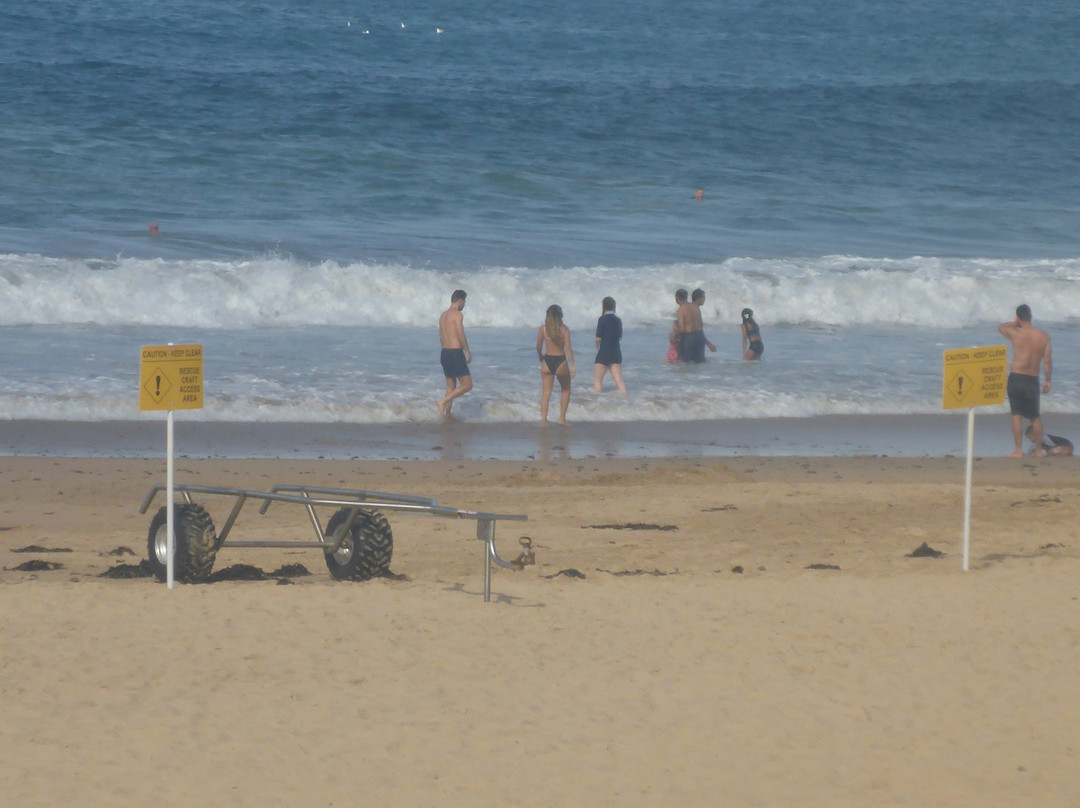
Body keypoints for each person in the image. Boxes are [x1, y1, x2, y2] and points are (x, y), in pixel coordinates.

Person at [998, 304, 1052, 457]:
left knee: (1016, 415)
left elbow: (1001, 327)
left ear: (1018, 317)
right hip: (1032, 379)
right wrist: (1048, 381)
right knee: (1035, 416)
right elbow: (1047, 361)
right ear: (1031, 316)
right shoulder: (1043, 336)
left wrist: (1015, 323)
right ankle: (1038, 450)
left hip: (1017, 377)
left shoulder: (1016, 333)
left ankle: (1019, 450)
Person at [536, 304, 575, 425]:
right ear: (560, 315)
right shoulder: (564, 329)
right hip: (560, 361)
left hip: (547, 361)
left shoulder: (543, 329)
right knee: (566, 390)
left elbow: (538, 346)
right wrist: (572, 365)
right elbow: (568, 348)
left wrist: (540, 356)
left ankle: (543, 420)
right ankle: (562, 419)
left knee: (546, 392)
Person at [436, 289, 472, 417]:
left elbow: (441, 336)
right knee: (467, 385)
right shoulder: (457, 314)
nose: (464, 305)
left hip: (444, 352)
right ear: (460, 300)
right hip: (455, 352)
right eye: (464, 302)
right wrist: (467, 350)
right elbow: (460, 333)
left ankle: (446, 413)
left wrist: (446, 350)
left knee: (450, 386)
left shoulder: (443, 315)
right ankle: (442, 402)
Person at [593, 296, 627, 393]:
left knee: (598, 380)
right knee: (620, 382)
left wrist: (597, 347)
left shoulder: (602, 319)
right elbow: (619, 337)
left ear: (603, 306)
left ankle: (597, 403)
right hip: (616, 352)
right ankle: (627, 400)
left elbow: (598, 338)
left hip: (604, 352)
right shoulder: (618, 320)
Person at [680, 288, 717, 363]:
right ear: (699, 299)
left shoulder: (685, 308)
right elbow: (699, 330)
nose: (704, 299)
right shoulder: (697, 310)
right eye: (703, 297)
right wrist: (709, 344)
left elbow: (682, 328)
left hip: (688, 338)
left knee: (684, 364)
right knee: (699, 364)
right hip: (699, 339)